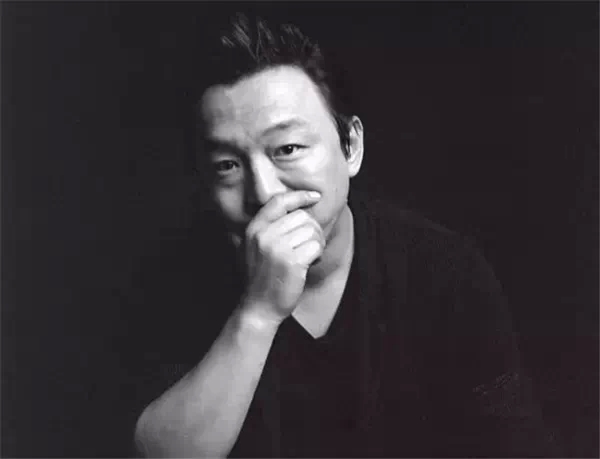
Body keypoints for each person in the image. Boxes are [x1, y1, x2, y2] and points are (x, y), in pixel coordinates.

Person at [119, 13, 558, 458]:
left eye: (287, 149)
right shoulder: (171, 280)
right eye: (228, 165)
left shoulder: (444, 271)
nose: (264, 192)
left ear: (351, 147)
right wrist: (258, 313)